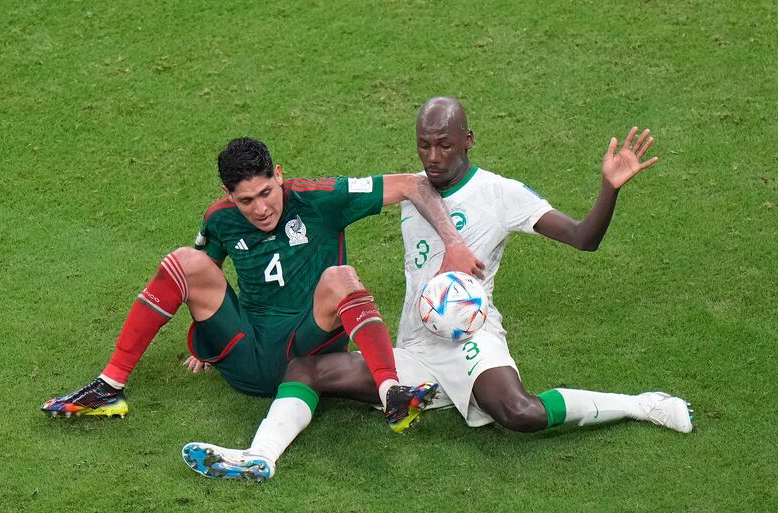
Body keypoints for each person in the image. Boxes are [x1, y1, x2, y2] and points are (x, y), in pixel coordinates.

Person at [182, 97, 693, 482]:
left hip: (470, 337)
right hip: (415, 348)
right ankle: (260, 457)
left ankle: (638, 403)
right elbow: (396, 187)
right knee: (305, 368)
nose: (433, 156)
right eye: (424, 144)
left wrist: (609, 187)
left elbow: (584, 238)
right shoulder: (416, 189)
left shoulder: (501, 194)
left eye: (445, 144)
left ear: (469, 139)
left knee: (520, 413)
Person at [41, 136, 484, 433]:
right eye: (245, 200)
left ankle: (391, 391)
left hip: (306, 349)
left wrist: (454, 242)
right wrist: (205, 345)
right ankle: (108, 386)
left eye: (266, 193)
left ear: (278, 173)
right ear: (228, 193)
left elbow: (414, 184)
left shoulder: (322, 198)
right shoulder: (221, 218)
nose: (259, 209)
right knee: (182, 260)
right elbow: (196, 277)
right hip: (246, 356)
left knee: (339, 277)